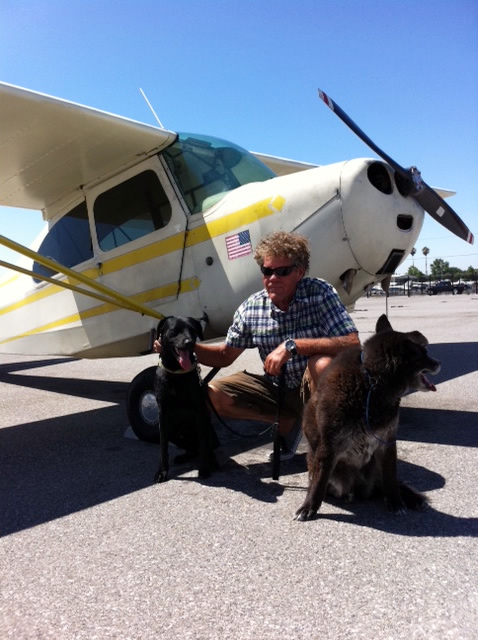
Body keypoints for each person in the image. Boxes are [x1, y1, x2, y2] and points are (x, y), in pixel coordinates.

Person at [156, 231, 360, 460]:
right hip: (277, 388)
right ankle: (285, 421)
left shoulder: (320, 293)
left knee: (322, 364)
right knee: (214, 394)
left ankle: (327, 448)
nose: (273, 278)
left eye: (282, 271)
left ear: (300, 272)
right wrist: (181, 346)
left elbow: (352, 343)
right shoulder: (251, 308)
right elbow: (224, 356)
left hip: (312, 389)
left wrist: (294, 346)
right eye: (267, 271)